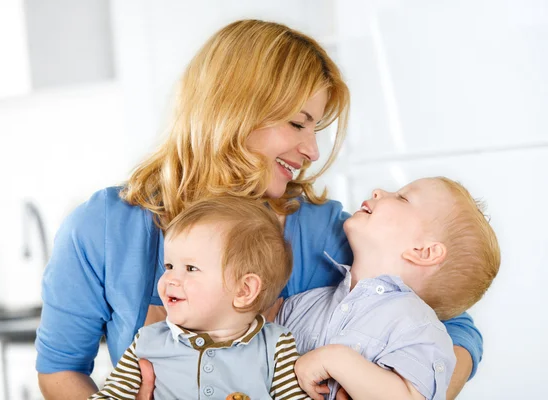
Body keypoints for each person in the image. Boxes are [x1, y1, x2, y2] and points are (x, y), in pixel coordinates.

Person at [35, 19, 482, 400]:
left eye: (316, 128)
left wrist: (405, 387)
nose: (310, 150)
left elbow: (452, 327)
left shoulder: (327, 232)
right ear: (232, 108)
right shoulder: (102, 228)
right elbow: (59, 371)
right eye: (296, 123)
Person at [277, 177, 500, 400]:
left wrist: (336, 360)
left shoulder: (421, 330)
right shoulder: (303, 305)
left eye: (402, 198)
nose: (377, 191)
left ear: (424, 252)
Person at [88, 196, 309, 399]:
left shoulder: (276, 345)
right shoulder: (147, 341)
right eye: (169, 266)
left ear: (244, 290)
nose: (171, 279)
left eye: (191, 268)